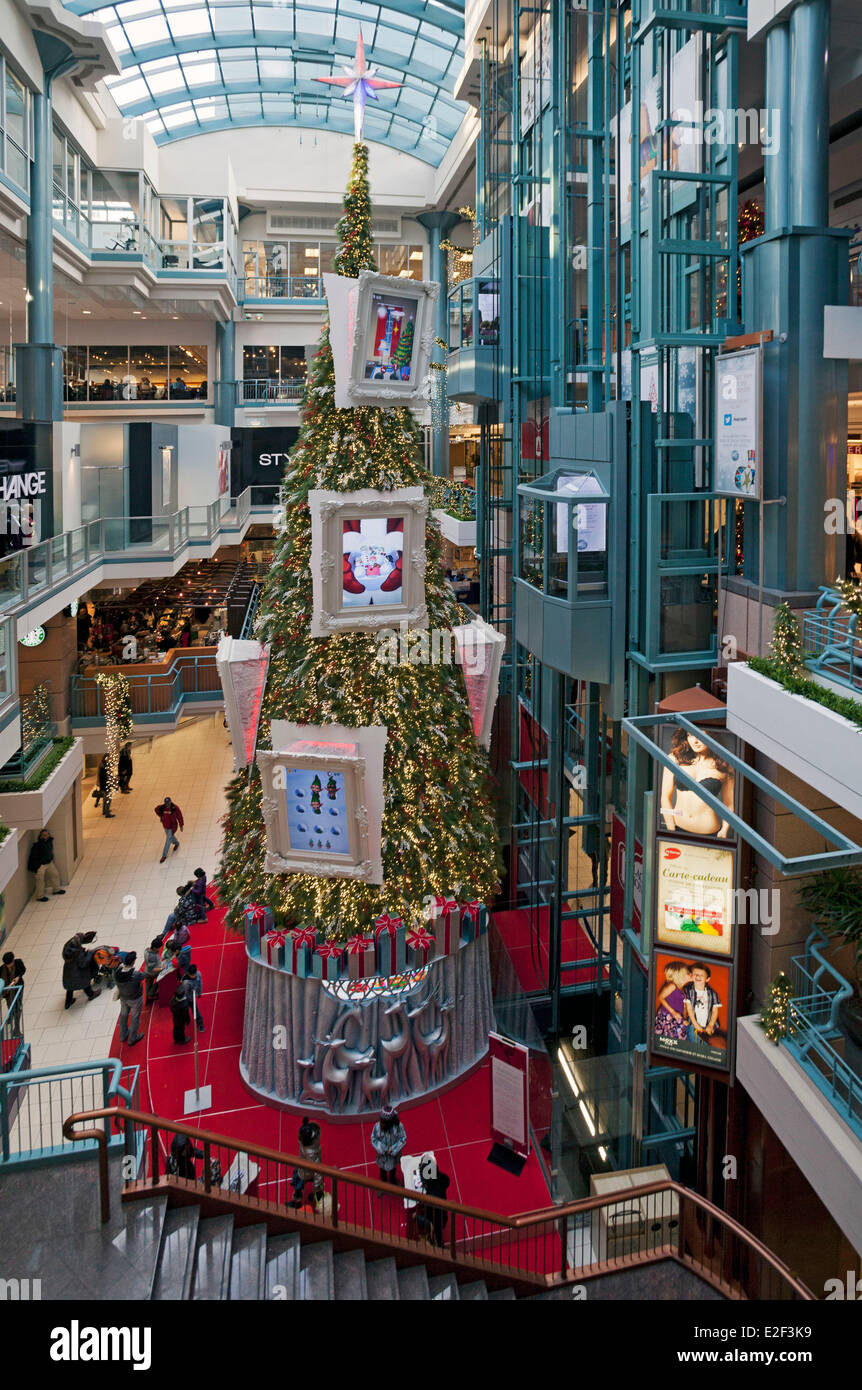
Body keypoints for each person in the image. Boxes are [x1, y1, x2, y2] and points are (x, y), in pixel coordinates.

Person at [660, 730, 735, 839]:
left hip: (710, 833)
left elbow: (729, 804)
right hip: (677, 828)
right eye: (690, 735)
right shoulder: (674, 758)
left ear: (712, 736)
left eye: (700, 736)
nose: (695, 741)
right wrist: (671, 828)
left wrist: (724, 830)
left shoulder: (723, 765)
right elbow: (665, 797)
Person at [683, 963, 722, 1049]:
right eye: (695, 974)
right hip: (693, 1022)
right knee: (691, 1037)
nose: (698, 976)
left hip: (706, 1023)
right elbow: (689, 1008)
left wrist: (711, 1025)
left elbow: (715, 1011)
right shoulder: (688, 990)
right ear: (691, 976)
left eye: (701, 975)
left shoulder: (712, 993)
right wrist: (695, 1024)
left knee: (707, 1038)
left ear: (707, 979)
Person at [416, 1154, 451, 1247]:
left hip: (436, 1220)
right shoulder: (440, 1178)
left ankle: (438, 1245)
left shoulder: (431, 1197)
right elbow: (447, 1181)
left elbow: (428, 1218)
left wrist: (417, 1217)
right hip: (442, 1214)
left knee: (437, 1234)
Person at [290, 1117, 324, 1208]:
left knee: (298, 1186)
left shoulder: (310, 1153)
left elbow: (317, 1169)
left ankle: (297, 1202)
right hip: (303, 1167)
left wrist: (316, 1185)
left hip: (305, 1172)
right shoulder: (313, 1140)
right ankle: (317, 1195)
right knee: (317, 1186)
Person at [654, 960, 692, 1041]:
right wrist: (673, 1012)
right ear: (679, 975)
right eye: (688, 973)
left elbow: (684, 1006)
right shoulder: (672, 986)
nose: (690, 975)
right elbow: (660, 997)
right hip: (668, 1017)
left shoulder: (683, 989)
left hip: (677, 1018)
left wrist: (684, 1019)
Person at [62, 931, 100, 1009]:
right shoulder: (78, 954)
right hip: (78, 974)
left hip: (68, 973)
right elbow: (83, 963)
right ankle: (91, 995)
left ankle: (68, 1002)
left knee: (70, 988)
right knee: (85, 984)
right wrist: (89, 953)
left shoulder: (68, 948)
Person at [370, 1105, 407, 1185]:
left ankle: (392, 1180)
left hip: (393, 1156)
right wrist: (383, 1149)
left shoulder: (398, 1126)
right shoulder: (377, 1127)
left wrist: (392, 1150)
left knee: (393, 1169)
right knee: (382, 1170)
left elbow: (403, 1139)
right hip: (382, 1156)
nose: (381, 1123)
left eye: (383, 1122)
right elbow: (373, 1139)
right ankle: (383, 1183)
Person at [115, 952, 145, 1047]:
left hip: (123, 998)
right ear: (133, 961)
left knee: (123, 1016)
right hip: (135, 999)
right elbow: (143, 976)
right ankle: (133, 1038)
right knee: (135, 1018)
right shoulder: (135, 974)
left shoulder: (117, 972)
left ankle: (123, 1035)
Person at [29, 829, 66, 903]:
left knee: (55, 875)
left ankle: (56, 890)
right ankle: (40, 896)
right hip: (40, 865)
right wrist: (38, 866)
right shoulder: (37, 845)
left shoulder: (49, 842)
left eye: (47, 835)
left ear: (49, 835)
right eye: (44, 835)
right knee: (40, 881)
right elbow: (33, 857)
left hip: (49, 863)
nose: (45, 836)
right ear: (41, 836)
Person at [155, 796, 184, 862]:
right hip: (165, 826)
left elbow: (180, 816)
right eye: (166, 804)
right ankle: (176, 843)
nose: (167, 805)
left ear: (170, 802)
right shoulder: (162, 807)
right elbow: (156, 809)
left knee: (168, 840)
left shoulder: (175, 808)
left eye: (168, 803)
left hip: (172, 827)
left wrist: (181, 825)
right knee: (171, 837)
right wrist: (161, 816)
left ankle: (164, 855)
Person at [182, 963, 205, 1033]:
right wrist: (191, 1000)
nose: (194, 976)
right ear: (188, 974)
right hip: (187, 997)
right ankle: (186, 1020)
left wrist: (199, 992)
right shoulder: (186, 982)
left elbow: (200, 983)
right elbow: (186, 992)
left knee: (196, 1011)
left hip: (192, 996)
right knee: (184, 1010)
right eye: (192, 975)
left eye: (194, 974)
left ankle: (200, 1024)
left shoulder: (198, 974)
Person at [170, 979, 192, 1044]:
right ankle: (182, 1040)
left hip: (175, 1019)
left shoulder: (173, 1000)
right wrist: (188, 1020)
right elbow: (185, 1014)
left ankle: (176, 1039)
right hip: (181, 1020)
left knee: (175, 1028)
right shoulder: (183, 1005)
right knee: (181, 1029)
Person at [142, 938, 163, 1005]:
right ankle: (151, 994)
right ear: (154, 948)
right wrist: (162, 968)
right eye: (159, 948)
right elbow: (152, 969)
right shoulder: (152, 956)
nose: (159, 949)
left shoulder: (147, 950)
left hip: (146, 971)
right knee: (158, 982)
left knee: (148, 985)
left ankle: (147, 999)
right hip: (152, 973)